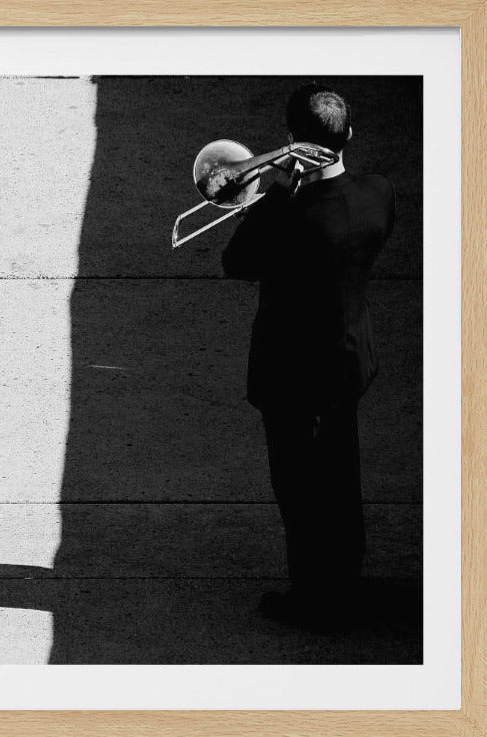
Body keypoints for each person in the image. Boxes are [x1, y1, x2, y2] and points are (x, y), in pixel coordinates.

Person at [221, 84, 395, 630]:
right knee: (342, 480)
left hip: (291, 375)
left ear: (293, 141)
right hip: (348, 362)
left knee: (298, 491)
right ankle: (344, 585)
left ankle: (313, 601)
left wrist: (278, 191)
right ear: (350, 135)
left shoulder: (288, 217)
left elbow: (236, 262)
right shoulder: (379, 194)